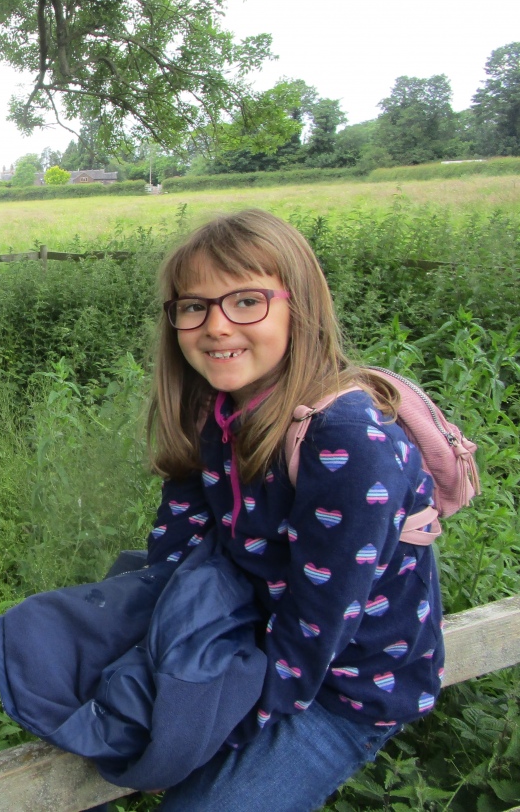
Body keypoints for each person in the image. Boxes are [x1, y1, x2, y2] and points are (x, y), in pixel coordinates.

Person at [142, 209, 443, 811]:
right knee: (79, 721)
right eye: (193, 306)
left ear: (298, 307)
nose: (216, 326)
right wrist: (145, 640)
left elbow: (317, 627)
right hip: (250, 639)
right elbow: (175, 544)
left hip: (346, 686)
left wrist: (211, 733)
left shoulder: (345, 439)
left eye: (246, 301)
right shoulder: (216, 408)